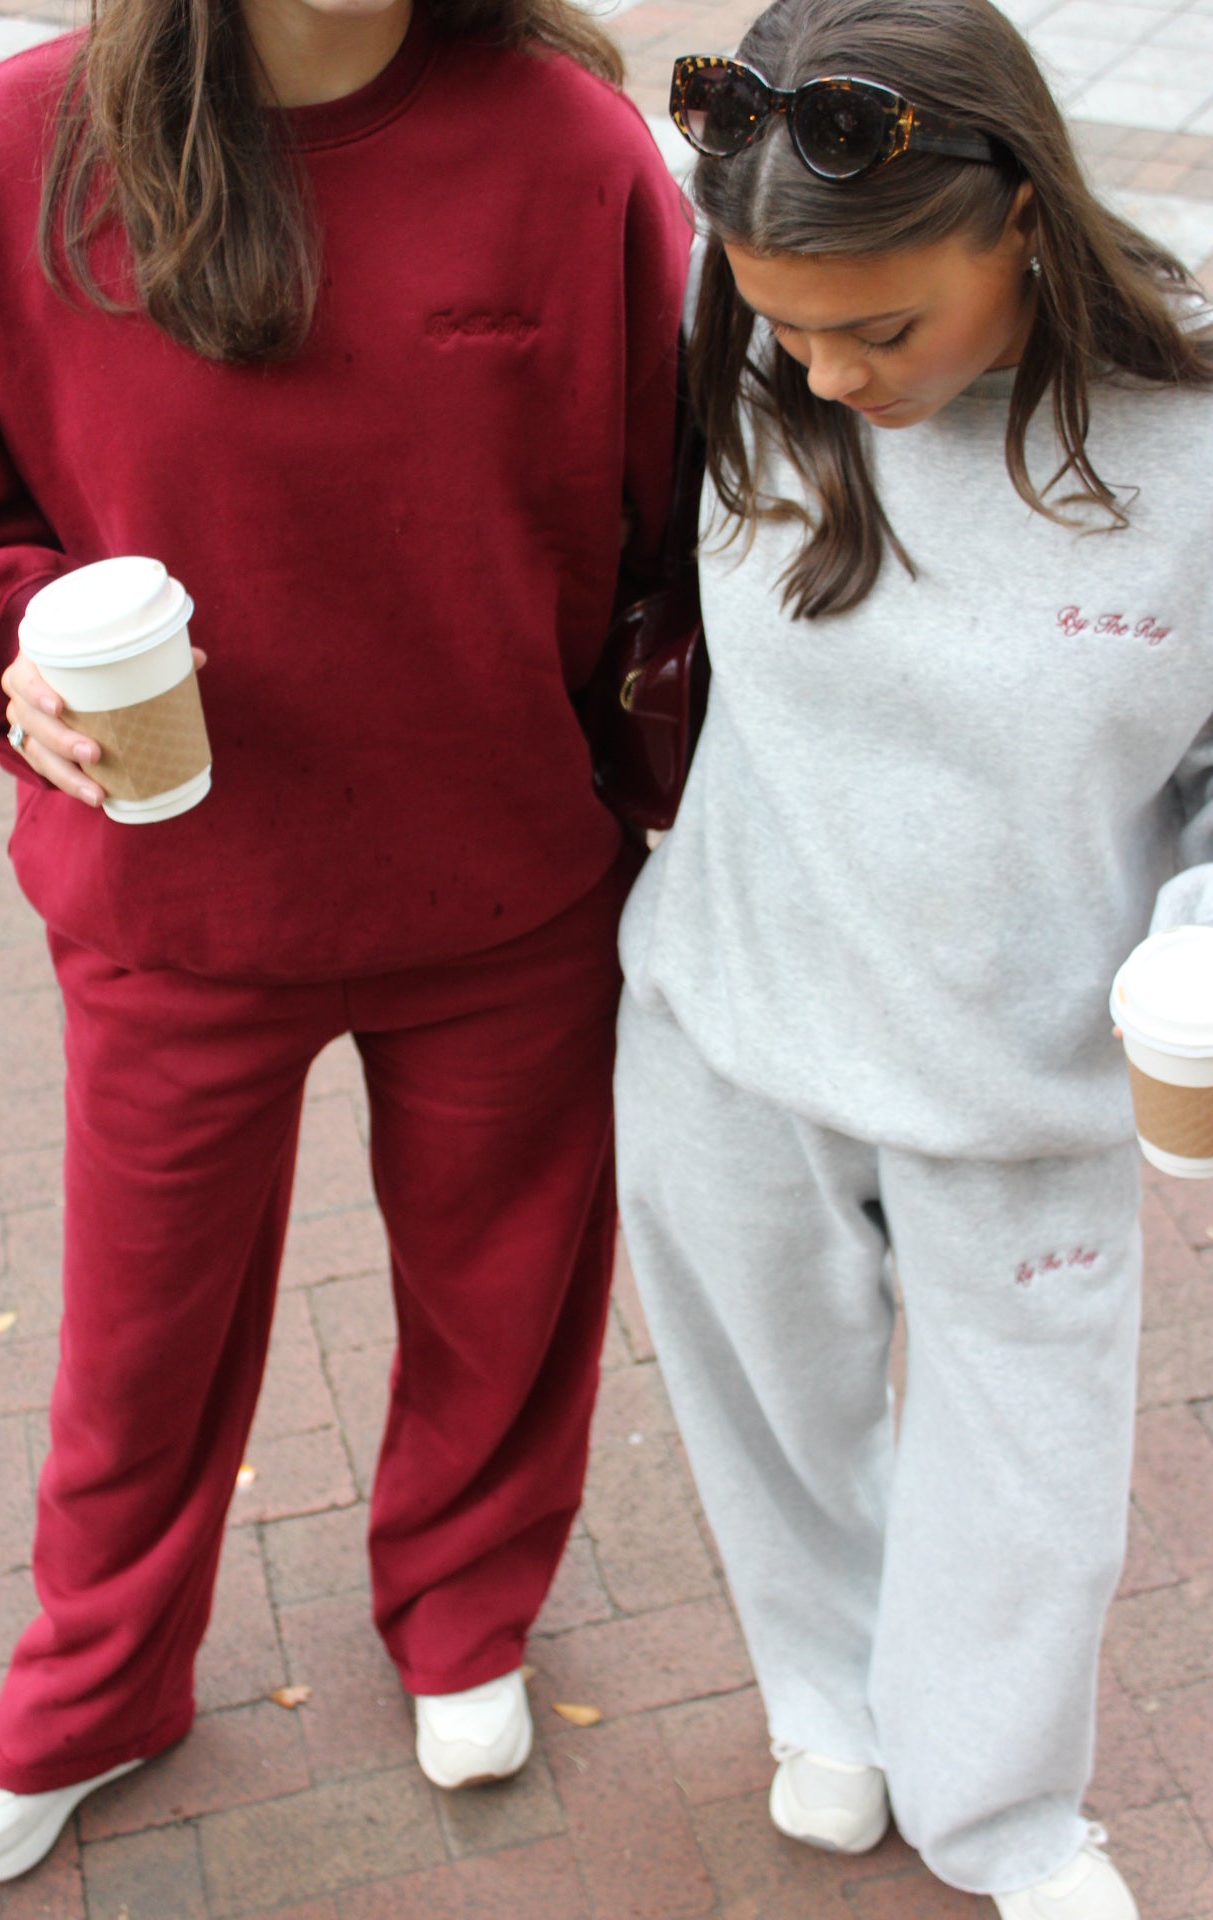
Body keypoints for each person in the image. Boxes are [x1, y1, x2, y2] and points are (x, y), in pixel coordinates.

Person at [0, 0, 689, 1886]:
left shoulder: (572, 149)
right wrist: (11, 637)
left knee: (507, 1295)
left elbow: (682, 511)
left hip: (511, 876)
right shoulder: (12, 151)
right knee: (138, 1338)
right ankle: (98, 1684)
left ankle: (464, 1614)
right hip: (172, 896)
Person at [613, 3, 1213, 1916]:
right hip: (726, 1026)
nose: (826, 372)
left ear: (1022, 216)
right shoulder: (752, 353)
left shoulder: (1195, 442)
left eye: (880, 326)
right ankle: (832, 1704)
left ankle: (1009, 1814)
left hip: (1023, 1085)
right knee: (774, 1429)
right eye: (786, 324)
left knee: (1029, 1491)